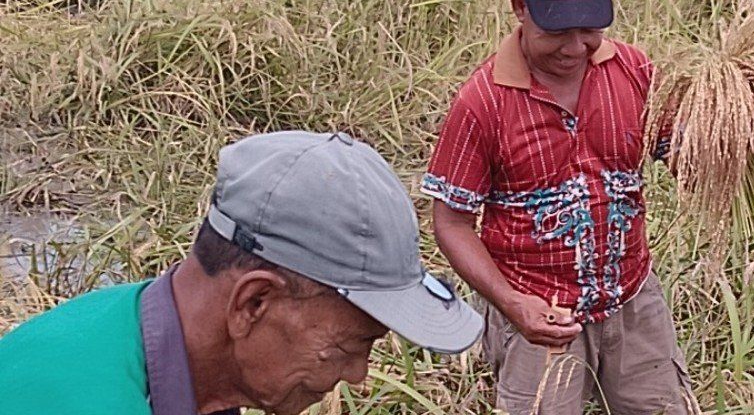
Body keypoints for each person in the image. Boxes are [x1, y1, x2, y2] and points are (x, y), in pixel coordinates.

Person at [0, 130, 483, 415]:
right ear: (253, 303)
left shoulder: (138, 328)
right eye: (346, 347)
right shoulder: (73, 400)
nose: (358, 376)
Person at [422, 0, 696, 415]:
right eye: (556, 31)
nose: (575, 48)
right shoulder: (482, 102)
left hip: (632, 301)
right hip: (539, 317)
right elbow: (451, 222)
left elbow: (680, 158)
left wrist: (728, 133)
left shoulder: (633, 72)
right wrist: (512, 304)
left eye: (589, 29)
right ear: (520, 9)